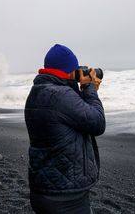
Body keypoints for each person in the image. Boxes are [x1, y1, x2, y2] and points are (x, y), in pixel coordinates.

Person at [24, 44, 106, 214]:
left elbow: (72, 116)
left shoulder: (37, 91)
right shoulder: (61, 96)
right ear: (67, 71)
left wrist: (81, 89)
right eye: (75, 69)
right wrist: (89, 87)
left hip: (43, 188)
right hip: (66, 197)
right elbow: (97, 123)